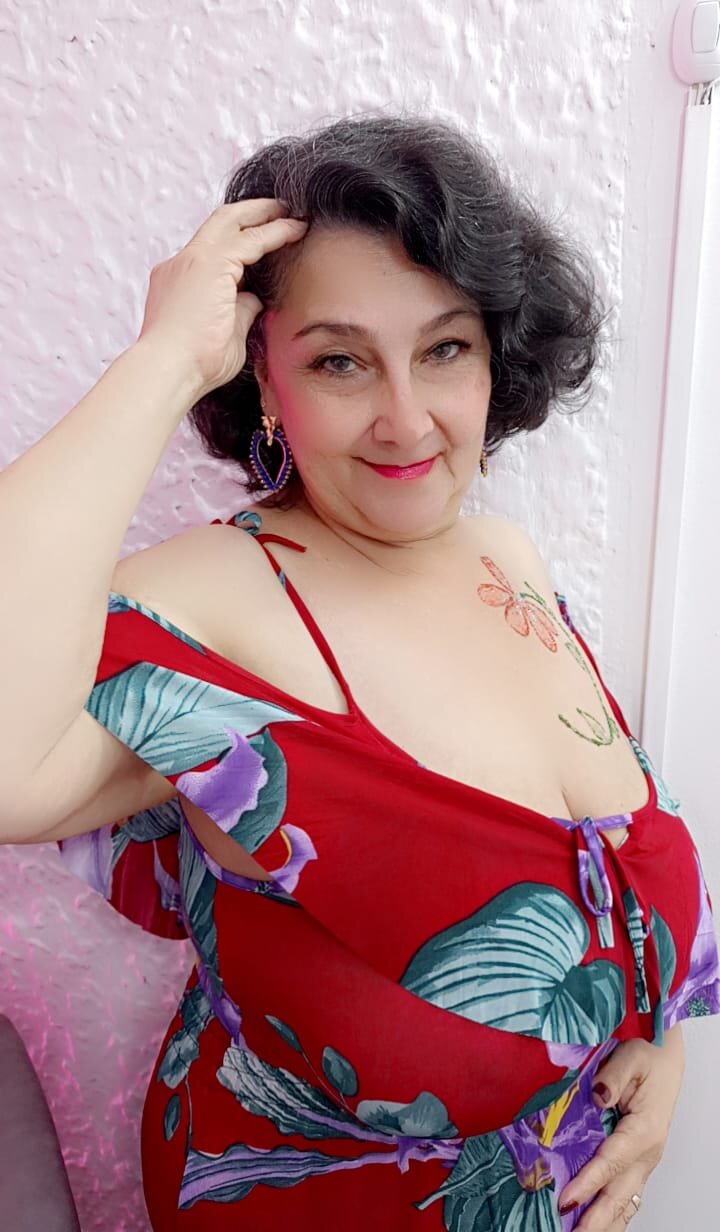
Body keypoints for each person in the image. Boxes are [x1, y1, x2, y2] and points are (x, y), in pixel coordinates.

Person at [1, 113, 718, 1232]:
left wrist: (651, 1039)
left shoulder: (506, 561)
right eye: (339, 360)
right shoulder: (212, 604)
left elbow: (605, 874)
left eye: (445, 348)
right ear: (262, 375)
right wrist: (160, 362)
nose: (405, 419)